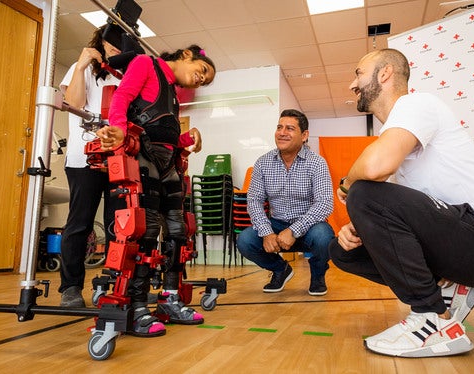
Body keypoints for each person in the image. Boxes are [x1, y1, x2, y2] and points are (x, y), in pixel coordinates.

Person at [328, 48, 474, 357]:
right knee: (341, 252)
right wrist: (355, 230)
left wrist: (347, 183)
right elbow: (393, 221)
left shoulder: (416, 104)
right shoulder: (398, 138)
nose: (353, 85)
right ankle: (444, 289)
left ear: (384, 74)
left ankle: (432, 318)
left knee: (363, 191)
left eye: (358, 74)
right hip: (465, 247)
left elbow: (374, 170)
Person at [97, 44, 216, 337]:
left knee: (178, 232)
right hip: (144, 157)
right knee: (146, 231)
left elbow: (165, 132)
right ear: (187, 56)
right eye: (202, 72)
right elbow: (123, 97)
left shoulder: (173, 93)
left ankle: (170, 299)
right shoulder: (144, 64)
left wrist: (189, 137)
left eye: (206, 80)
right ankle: (137, 308)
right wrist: (119, 129)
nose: (201, 80)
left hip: (167, 164)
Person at [58, 25, 125, 308]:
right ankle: (71, 288)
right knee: (79, 223)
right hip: (83, 157)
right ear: (101, 43)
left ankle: (112, 283)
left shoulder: (123, 76)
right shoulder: (80, 67)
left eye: (121, 48)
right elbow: (73, 103)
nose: (116, 51)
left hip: (118, 159)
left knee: (117, 225)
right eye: (111, 46)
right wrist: (84, 63)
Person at [237, 109, 335, 296]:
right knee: (245, 240)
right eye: (279, 127)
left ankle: (318, 274)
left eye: (290, 128)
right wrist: (266, 233)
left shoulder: (317, 163)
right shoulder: (263, 163)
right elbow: (254, 200)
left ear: (304, 135)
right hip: (276, 224)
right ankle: (280, 269)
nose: (282, 132)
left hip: (309, 228)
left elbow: (324, 203)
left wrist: (293, 230)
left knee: (324, 237)